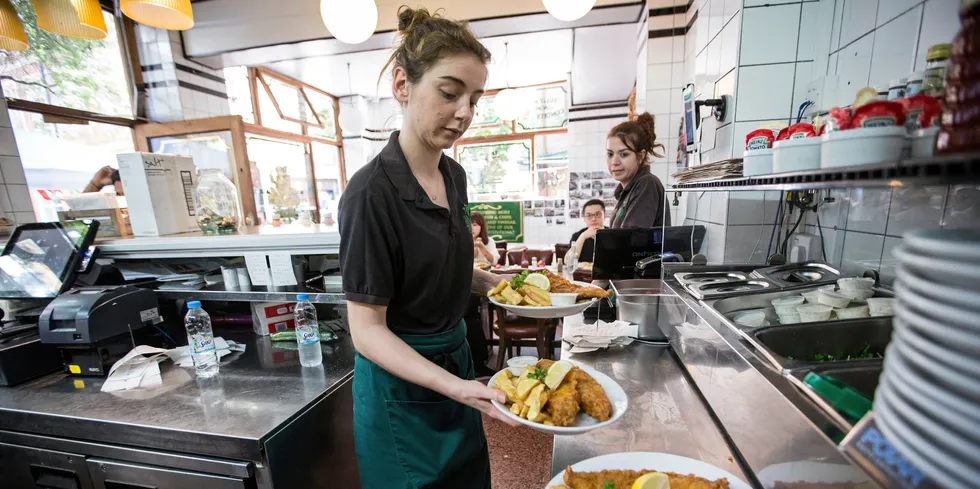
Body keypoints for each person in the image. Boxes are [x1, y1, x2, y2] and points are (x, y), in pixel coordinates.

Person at [337, 8, 517, 489]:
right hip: (402, 393)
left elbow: (438, 268)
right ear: (402, 84)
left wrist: (496, 285)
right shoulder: (370, 194)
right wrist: (458, 387)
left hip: (454, 371)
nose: (465, 113)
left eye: (474, 99)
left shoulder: (452, 176)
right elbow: (367, 332)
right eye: (449, 92)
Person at [606, 113, 671, 228]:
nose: (614, 162)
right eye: (610, 154)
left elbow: (632, 240)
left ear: (640, 156)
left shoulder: (647, 184)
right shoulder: (627, 191)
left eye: (624, 154)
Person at [569, 199, 606, 263]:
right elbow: (568, 261)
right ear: (584, 219)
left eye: (597, 214)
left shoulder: (613, 234)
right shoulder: (577, 236)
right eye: (589, 215)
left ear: (604, 216)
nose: (594, 219)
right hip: (583, 272)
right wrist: (583, 236)